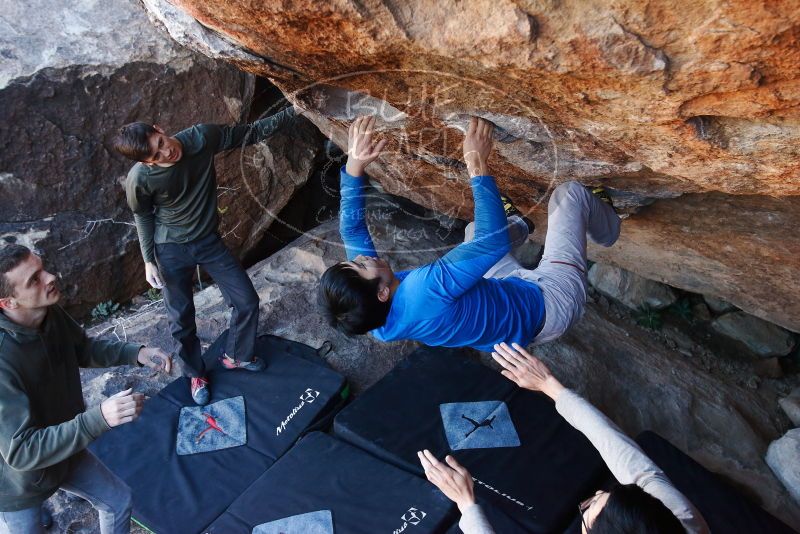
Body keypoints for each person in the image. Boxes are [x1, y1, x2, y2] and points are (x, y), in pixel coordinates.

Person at [318, 114, 621, 351]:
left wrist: (355, 165)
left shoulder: (373, 318)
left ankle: (517, 222)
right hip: (550, 303)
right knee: (569, 196)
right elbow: (492, 244)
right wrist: (476, 161)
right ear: (382, 293)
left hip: (508, 301)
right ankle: (608, 229)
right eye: (360, 265)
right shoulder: (424, 290)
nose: (361, 258)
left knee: (477, 230)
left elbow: (353, 229)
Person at [417, 343, 710, 534]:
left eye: (588, 511)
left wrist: (467, 504)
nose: (589, 498)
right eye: (599, 496)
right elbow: (623, 453)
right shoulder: (679, 517)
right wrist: (551, 386)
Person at [113, 106, 296, 405]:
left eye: (161, 143)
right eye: (155, 156)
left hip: (208, 241)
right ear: (146, 162)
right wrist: (148, 260)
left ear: (160, 128)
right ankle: (195, 373)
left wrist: (295, 109)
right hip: (170, 249)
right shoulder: (140, 179)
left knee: (246, 300)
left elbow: (253, 132)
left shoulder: (201, 137)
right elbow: (143, 216)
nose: (165, 153)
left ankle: (237, 355)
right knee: (182, 318)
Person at [0, 245, 173, 534]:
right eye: (34, 280)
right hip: (17, 486)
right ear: (8, 303)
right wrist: (99, 418)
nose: (51, 277)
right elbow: (20, 452)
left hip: (66, 448)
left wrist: (136, 353)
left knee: (118, 501)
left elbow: (82, 348)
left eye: (43, 268)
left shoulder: (47, 313)